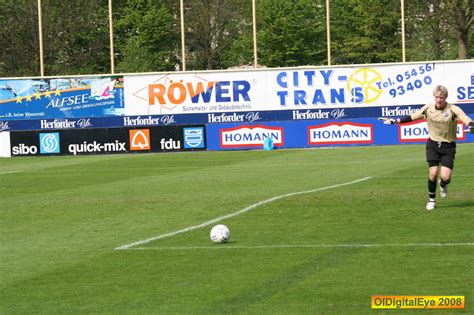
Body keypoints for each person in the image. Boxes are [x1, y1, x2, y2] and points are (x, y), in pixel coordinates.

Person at [381, 85, 474, 211]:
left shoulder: (453, 109)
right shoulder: (428, 108)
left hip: (448, 146)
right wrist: (395, 121)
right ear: (434, 97)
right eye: (437, 97)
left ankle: (443, 184)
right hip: (433, 144)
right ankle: (432, 200)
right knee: (433, 173)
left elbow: (466, 119)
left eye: (441, 97)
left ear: (445, 97)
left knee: (446, 177)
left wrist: (471, 125)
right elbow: (412, 117)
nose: (439, 100)